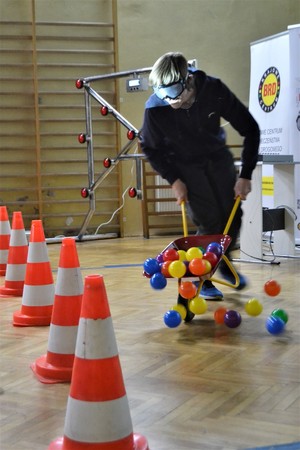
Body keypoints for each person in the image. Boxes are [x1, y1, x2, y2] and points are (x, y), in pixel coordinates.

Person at [140, 52, 260, 300]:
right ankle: (201, 278)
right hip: (185, 167)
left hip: (217, 159)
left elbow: (251, 128)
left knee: (233, 217)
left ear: (188, 81)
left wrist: (246, 175)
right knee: (209, 222)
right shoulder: (156, 109)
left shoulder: (213, 89)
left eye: (172, 90)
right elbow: (150, 147)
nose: (167, 99)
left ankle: (222, 262)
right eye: (161, 92)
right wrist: (174, 179)